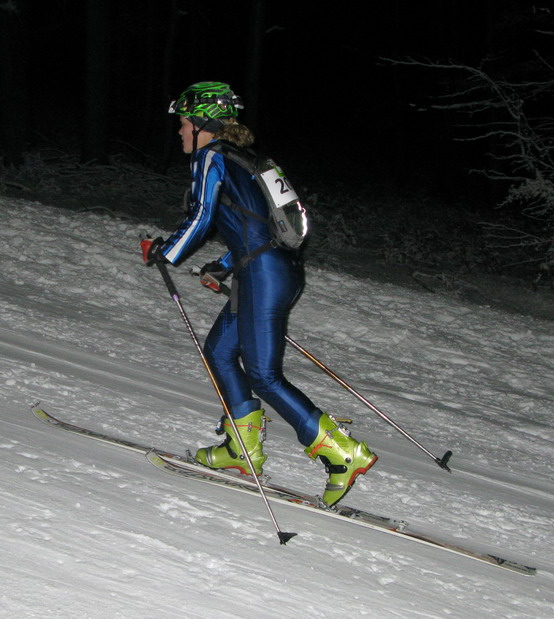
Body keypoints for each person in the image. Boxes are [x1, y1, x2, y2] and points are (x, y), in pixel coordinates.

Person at [141, 81, 377, 506]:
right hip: (272, 270)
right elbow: (255, 225)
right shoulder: (244, 159)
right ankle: (241, 449)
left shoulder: (211, 155)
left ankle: (342, 453)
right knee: (219, 351)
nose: (179, 130)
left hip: (264, 275)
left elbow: (202, 214)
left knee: (264, 375)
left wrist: (166, 251)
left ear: (203, 124)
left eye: (184, 122)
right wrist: (224, 265)